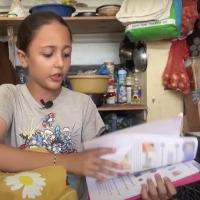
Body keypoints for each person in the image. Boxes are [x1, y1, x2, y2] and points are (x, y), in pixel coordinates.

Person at [0, 11, 176, 200]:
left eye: (66, 54)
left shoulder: (83, 105)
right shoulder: (9, 96)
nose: (60, 63)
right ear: (23, 57)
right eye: (48, 54)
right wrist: (68, 162)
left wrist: (145, 190)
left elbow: (101, 170)